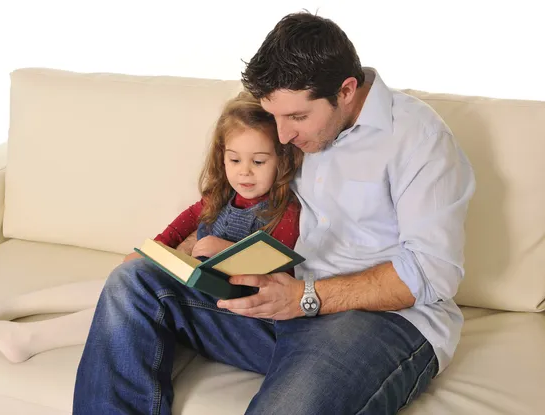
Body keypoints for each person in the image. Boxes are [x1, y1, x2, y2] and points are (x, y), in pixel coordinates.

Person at [73, 12, 476, 415]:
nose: (284, 137)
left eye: (297, 117)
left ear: (347, 90)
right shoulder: (295, 123)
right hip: (281, 302)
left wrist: (305, 297)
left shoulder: (419, 139)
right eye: (277, 117)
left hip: (379, 321)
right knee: (135, 282)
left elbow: (431, 271)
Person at [0, 90, 302, 364]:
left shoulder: (283, 211)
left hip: (232, 308)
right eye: (234, 159)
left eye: (258, 162)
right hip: (193, 283)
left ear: (281, 160)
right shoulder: (221, 195)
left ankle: (28, 339)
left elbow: (279, 264)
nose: (245, 172)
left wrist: (223, 249)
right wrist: (151, 249)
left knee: (131, 300)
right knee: (121, 281)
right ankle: (16, 308)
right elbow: (184, 221)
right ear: (221, 155)